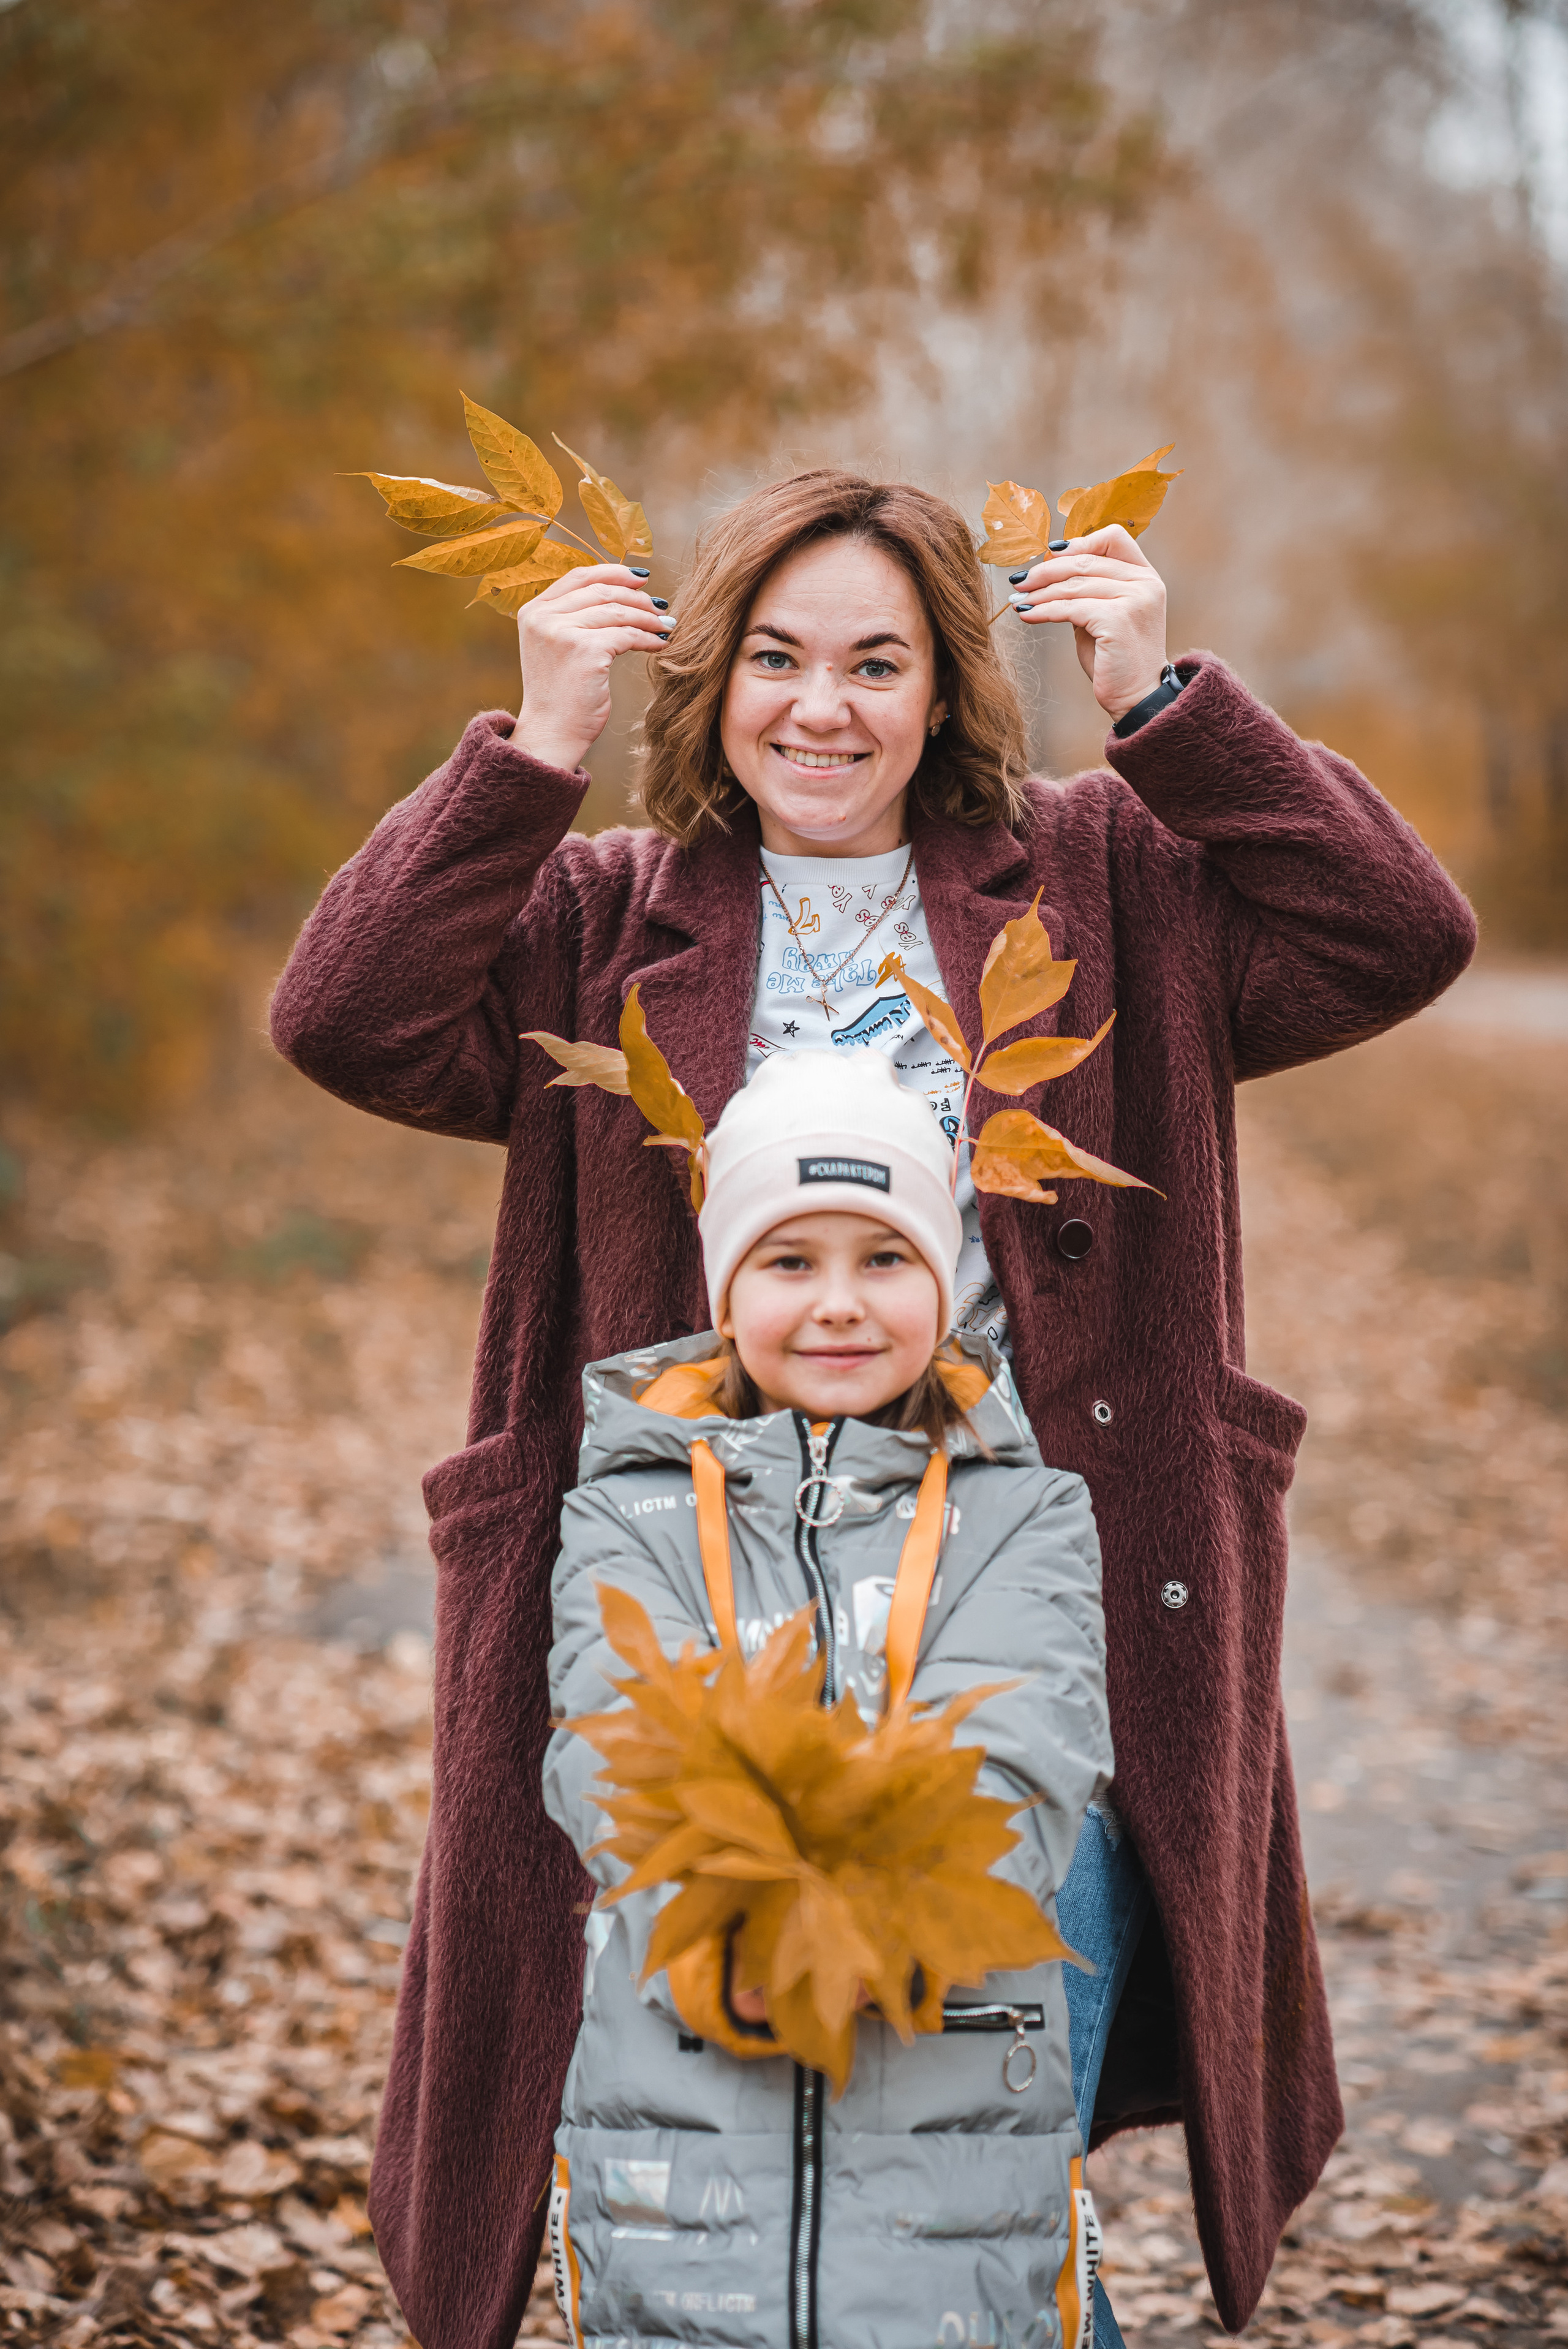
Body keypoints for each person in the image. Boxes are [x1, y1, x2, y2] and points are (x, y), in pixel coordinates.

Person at [268, 466, 1476, 2349]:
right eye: (775, 656)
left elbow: (1399, 935)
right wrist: (534, 750)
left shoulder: (1109, 881)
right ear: (712, 675)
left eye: (876, 663)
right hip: (689, 1622)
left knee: (987, 2172)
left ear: (943, 694)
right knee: (702, 2166)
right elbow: (345, 1018)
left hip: (1009, 1614)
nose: (821, 707)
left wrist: (1169, 708)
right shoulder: (601, 915)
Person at [541, 1048, 1112, 2346]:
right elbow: (611, 1745)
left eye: (885, 1258)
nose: (840, 1305)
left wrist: (855, 1941)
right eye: (790, 1262)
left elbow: (1019, 1763)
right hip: (682, 2156)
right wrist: (741, 1930)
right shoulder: (625, 1512)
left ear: (944, 1281)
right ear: (724, 1287)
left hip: (945, 2176)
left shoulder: (1024, 1516)